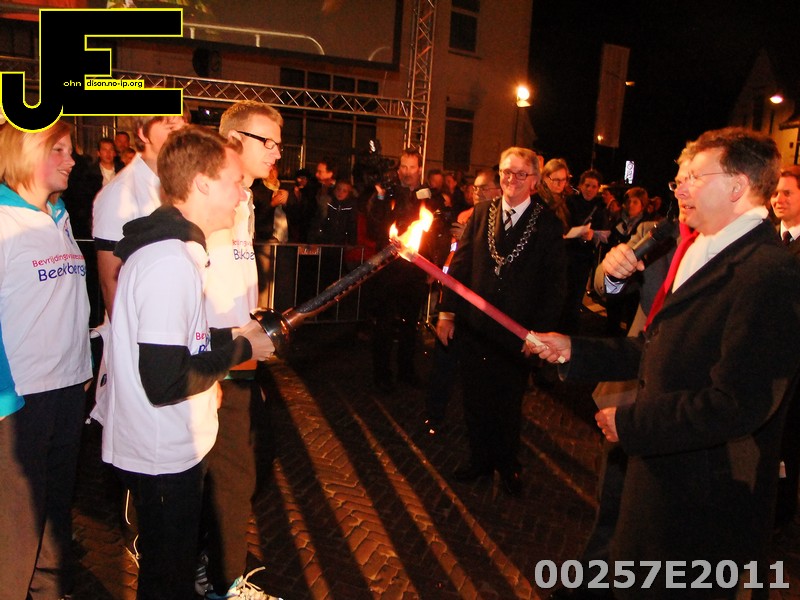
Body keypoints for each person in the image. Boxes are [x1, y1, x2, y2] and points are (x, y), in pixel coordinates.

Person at [532, 127, 800, 599]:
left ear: (737, 186)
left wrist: (633, 423)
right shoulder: (706, 249)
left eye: (696, 177)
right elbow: (659, 348)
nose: (680, 188)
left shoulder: (770, 273)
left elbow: (738, 403)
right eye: (682, 178)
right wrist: (577, 349)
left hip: (703, 506)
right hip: (662, 482)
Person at [101, 125, 274, 600]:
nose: (241, 194)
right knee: (167, 581)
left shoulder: (180, 254)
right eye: (233, 182)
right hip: (162, 453)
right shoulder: (169, 263)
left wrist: (228, 343)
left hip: (175, 446)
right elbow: (163, 380)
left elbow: (183, 344)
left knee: (170, 574)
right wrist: (243, 351)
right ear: (201, 184)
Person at [436, 147, 566, 497]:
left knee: (508, 402)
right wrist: (446, 312)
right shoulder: (482, 213)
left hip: (516, 334)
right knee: (475, 398)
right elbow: (459, 266)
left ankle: (507, 465)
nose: (511, 179)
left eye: (520, 174)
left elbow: (554, 285)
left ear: (534, 180)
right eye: (506, 172)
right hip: (475, 328)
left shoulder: (547, 224)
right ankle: (479, 459)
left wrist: (538, 334)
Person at [0, 120, 92, 600]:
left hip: (67, 386)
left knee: (55, 513)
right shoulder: (3, 220)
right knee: (16, 527)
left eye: (70, 150)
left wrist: (82, 365)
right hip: (20, 398)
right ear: (23, 152)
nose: (71, 160)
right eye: (58, 149)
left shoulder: (59, 214)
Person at [200, 100, 284, 600]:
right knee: (233, 470)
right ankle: (225, 582)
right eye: (267, 141)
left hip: (242, 347)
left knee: (238, 464)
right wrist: (210, 369)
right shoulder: (215, 199)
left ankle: (211, 564)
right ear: (234, 140)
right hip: (219, 352)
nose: (277, 152)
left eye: (278, 143)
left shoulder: (247, 199)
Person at [424, 168, 499, 435]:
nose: (477, 193)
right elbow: (454, 255)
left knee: (477, 371)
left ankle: (478, 424)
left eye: (483, 188)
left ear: (498, 191)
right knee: (444, 361)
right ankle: (435, 414)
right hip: (454, 300)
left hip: (479, 307)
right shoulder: (465, 215)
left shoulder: (501, 223)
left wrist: (473, 237)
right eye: (475, 188)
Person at [366, 148, 432, 393]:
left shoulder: (426, 194)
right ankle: (382, 374)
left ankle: (406, 370)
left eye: (411, 167)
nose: (406, 172)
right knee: (384, 324)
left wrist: (432, 266)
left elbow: (433, 231)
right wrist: (381, 196)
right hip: (389, 268)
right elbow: (375, 223)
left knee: (409, 324)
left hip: (415, 270)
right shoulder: (389, 193)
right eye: (403, 166)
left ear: (419, 169)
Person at [771, 164, 800, 531]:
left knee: (789, 438)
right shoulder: (765, 238)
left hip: (794, 363)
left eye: (787, 193)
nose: (778, 199)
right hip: (763, 360)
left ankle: (781, 514)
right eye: (775, 193)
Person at [561, 169, 605, 333]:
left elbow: (604, 231)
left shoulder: (599, 207)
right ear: (580, 185)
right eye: (587, 185)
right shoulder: (570, 202)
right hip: (567, 253)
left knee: (576, 295)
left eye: (594, 186)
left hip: (584, 258)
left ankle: (570, 332)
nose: (590, 189)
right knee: (563, 292)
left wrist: (593, 235)